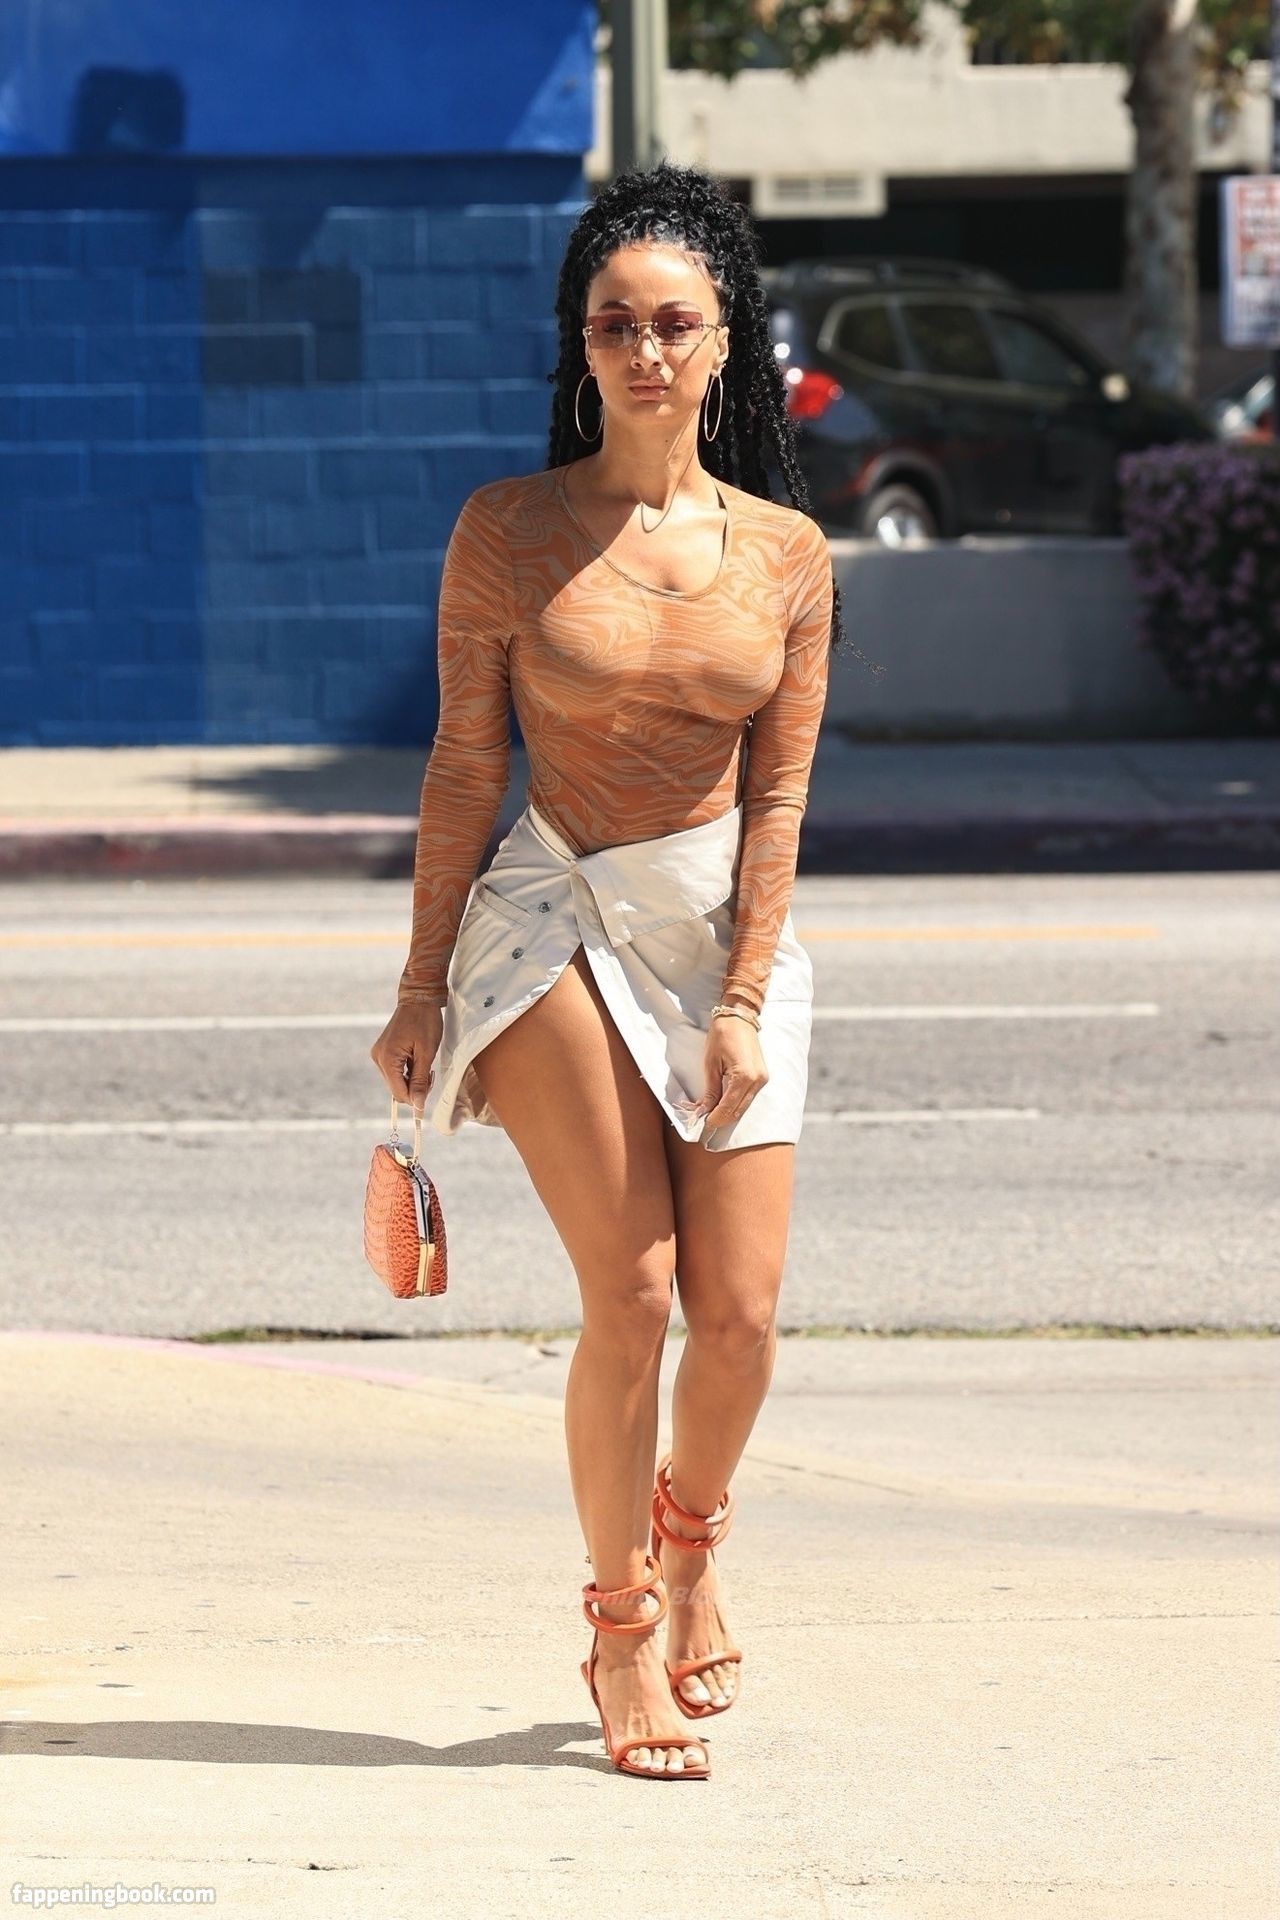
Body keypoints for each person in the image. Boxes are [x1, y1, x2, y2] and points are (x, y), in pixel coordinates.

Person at [371, 160, 877, 1780]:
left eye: (674, 323)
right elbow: (466, 763)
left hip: (716, 923)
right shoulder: (508, 531)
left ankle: (693, 1535)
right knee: (638, 1293)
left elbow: (781, 797)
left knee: (740, 1321)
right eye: (614, 324)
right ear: (579, 345)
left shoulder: (789, 554)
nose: (646, 351)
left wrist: (744, 998)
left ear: (726, 341)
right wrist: (420, 982)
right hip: (551, 913)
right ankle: (617, 1632)